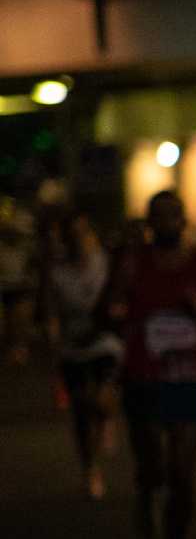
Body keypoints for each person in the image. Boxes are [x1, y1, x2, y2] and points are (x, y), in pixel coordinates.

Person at [114, 191, 196, 539]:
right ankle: (145, 490)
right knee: (153, 465)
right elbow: (107, 305)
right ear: (149, 222)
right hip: (144, 374)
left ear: (185, 219)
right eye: (160, 216)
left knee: (182, 472)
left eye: (175, 214)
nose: (168, 222)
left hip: (187, 375)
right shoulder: (133, 262)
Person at [41, 211, 121, 501]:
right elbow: (51, 313)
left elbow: (118, 295)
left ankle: (107, 418)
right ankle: (90, 468)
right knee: (81, 409)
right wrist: (54, 347)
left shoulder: (103, 263)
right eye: (72, 234)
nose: (79, 240)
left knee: (101, 399)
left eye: (83, 233)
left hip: (103, 341)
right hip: (73, 346)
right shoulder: (56, 271)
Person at [0, 198, 34, 369]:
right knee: (5, 326)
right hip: (4, 289)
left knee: (20, 325)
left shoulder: (25, 246)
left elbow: (32, 268)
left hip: (20, 289)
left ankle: (20, 353)